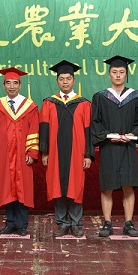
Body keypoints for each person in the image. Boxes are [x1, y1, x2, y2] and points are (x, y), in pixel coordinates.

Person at [91, 55, 138, 237]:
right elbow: (95, 122)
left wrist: (132, 134)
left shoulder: (135, 96)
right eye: (114, 72)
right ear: (109, 75)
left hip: (128, 147)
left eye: (121, 72)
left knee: (128, 185)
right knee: (107, 186)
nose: (118, 75)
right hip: (109, 147)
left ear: (126, 75)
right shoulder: (100, 97)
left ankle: (128, 223)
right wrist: (108, 135)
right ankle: (107, 223)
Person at [39, 60, 94, 238]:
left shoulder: (84, 104)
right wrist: (45, 152)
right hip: (55, 153)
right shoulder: (49, 103)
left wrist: (88, 155)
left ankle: (76, 224)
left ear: (73, 80)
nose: (65, 82)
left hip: (77, 153)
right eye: (61, 79)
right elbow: (44, 128)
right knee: (57, 186)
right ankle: (62, 223)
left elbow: (88, 131)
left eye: (68, 78)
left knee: (76, 186)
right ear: (57, 81)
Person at [0, 67, 39, 236]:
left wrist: (32, 152)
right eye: (8, 83)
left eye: (15, 83)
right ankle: (10, 223)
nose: (12, 86)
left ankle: (22, 224)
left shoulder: (30, 106)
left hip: (23, 155)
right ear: (3, 85)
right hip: (4, 154)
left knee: (23, 187)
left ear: (20, 85)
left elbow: (34, 130)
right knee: (7, 187)